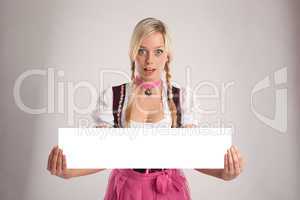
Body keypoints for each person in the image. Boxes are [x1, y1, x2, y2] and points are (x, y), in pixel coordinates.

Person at [47, 17, 245, 200]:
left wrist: (224, 173)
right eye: (142, 50)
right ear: (133, 53)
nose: (149, 60)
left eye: (158, 51)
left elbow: (191, 154)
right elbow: (102, 154)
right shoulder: (114, 97)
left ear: (167, 56)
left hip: (170, 191)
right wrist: (68, 171)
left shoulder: (182, 98)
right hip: (127, 191)